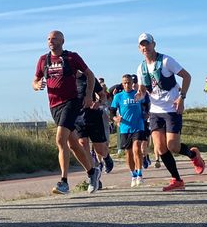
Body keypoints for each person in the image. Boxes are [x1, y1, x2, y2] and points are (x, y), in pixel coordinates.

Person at [33, 30, 102, 195]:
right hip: (54, 105)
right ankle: (93, 172)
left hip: (71, 103)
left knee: (59, 139)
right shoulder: (44, 60)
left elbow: (90, 75)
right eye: (49, 39)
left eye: (54, 38)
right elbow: (35, 80)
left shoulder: (72, 57)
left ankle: (63, 182)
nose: (51, 41)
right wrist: (37, 85)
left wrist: (87, 95)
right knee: (72, 144)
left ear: (62, 40)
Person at [135, 33, 204, 191]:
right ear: (139, 48)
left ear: (154, 44)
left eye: (148, 44)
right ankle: (177, 180)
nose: (145, 47)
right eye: (142, 45)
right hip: (155, 111)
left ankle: (193, 155)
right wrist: (140, 94)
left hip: (171, 109)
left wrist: (182, 97)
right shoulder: (141, 68)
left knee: (173, 146)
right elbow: (142, 89)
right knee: (160, 148)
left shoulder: (166, 61)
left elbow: (186, 76)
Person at [110, 74, 149, 187]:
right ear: (122, 84)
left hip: (138, 125)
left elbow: (146, 105)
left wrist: (146, 114)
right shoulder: (118, 96)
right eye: (125, 83)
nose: (127, 85)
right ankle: (133, 175)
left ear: (132, 83)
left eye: (129, 82)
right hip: (125, 128)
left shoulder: (138, 94)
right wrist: (115, 118)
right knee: (129, 153)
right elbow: (112, 111)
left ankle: (140, 175)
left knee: (137, 149)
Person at [75, 75, 113, 176]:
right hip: (77, 116)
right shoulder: (65, 79)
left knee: (100, 149)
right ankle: (93, 175)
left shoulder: (88, 78)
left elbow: (102, 95)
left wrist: (98, 103)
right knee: (83, 144)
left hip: (92, 115)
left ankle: (106, 157)